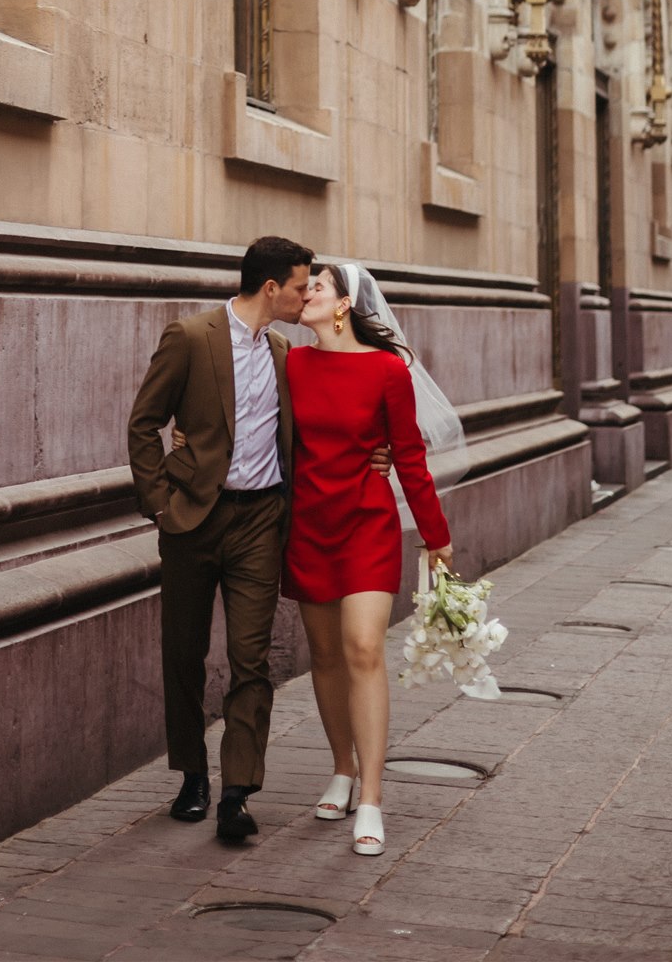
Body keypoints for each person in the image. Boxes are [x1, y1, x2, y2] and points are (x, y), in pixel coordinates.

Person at [127, 238, 391, 844]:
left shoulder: (283, 354)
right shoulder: (191, 337)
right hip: (192, 519)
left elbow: (329, 416)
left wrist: (378, 452)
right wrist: (160, 503)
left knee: (252, 661)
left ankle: (238, 793)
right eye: (302, 285)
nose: (308, 295)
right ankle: (192, 773)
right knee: (185, 653)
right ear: (272, 288)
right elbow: (145, 423)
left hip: (260, 522)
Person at [283, 259, 459, 859]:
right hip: (307, 525)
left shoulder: (388, 370)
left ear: (343, 305)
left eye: (317, 287)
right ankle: (340, 769)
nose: (304, 293)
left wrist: (435, 536)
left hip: (367, 523)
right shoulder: (293, 363)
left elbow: (408, 455)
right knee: (326, 655)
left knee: (363, 648)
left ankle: (373, 799)